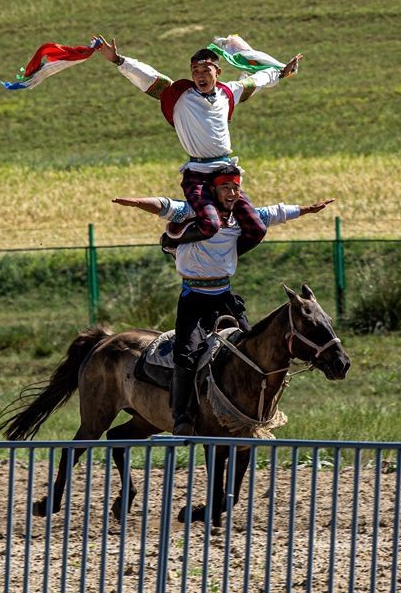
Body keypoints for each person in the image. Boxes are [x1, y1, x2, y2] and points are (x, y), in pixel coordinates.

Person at [113, 168, 333, 436]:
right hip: (193, 299)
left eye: (235, 188)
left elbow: (273, 213)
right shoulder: (194, 214)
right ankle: (183, 416)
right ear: (213, 191)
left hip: (225, 298)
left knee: (250, 348)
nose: (232, 193)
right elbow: (165, 206)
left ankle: (251, 410)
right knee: (186, 354)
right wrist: (136, 203)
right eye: (225, 187)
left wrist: (306, 210)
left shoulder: (239, 219)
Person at [92, 34, 301, 256]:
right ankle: (171, 242)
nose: (200, 76)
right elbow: (148, 76)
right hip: (198, 174)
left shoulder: (228, 93)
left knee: (256, 229)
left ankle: (220, 258)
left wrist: (280, 72)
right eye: (195, 72)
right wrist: (118, 59)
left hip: (226, 173)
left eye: (205, 71)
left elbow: (257, 81)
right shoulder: (180, 94)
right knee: (210, 225)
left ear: (217, 73)